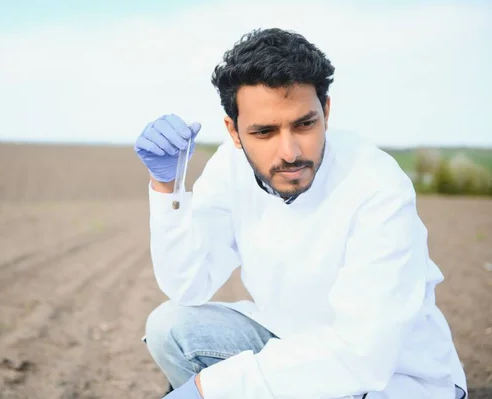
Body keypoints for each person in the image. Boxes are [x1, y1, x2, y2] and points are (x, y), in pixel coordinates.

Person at [134, 28, 467, 399]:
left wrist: (204, 389)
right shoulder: (230, 167)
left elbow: (363, 356)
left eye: (304, 124)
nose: (289, 152)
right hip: (293, 343)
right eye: (264, 132)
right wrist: (167, 186)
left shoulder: (378, 185)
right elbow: (187, 283)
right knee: (172, 327)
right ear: (234, 131)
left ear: (325, 110)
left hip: (395, 378)